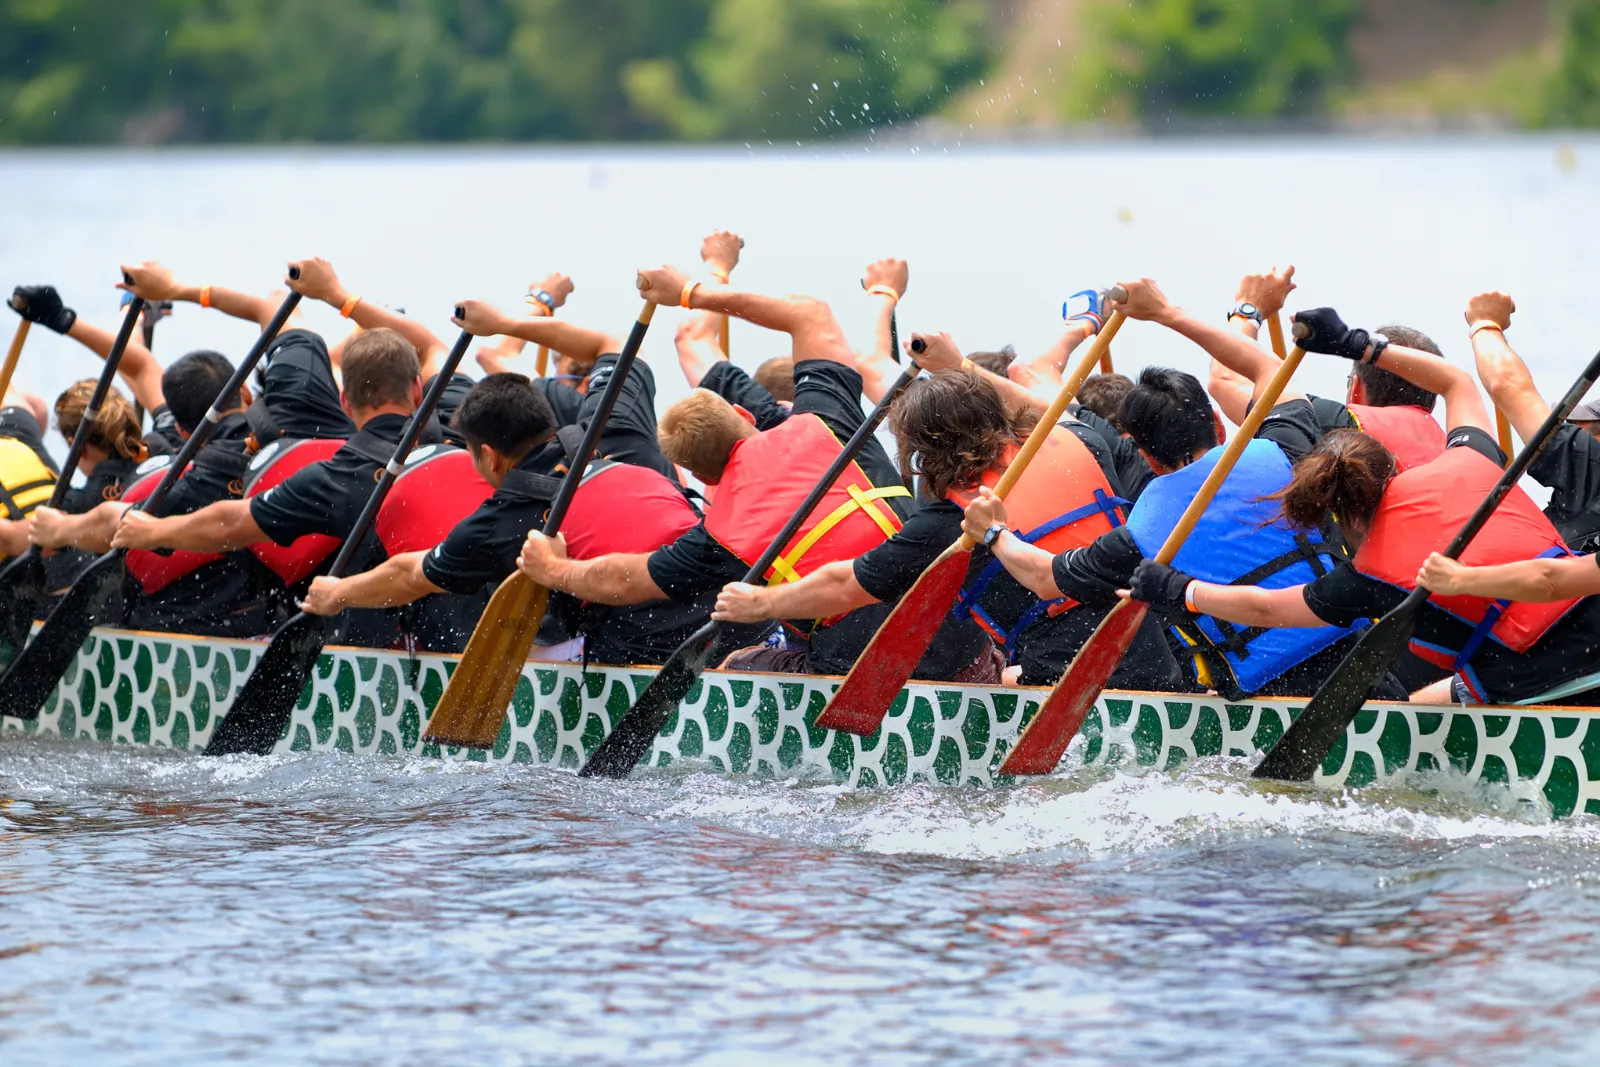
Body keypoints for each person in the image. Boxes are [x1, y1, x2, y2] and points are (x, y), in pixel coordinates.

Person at [960, 281, 1463, 701]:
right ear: (1221, 427)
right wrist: (1167, 313)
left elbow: (1045, 578)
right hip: (1366, 665)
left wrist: (994, 534)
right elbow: (1269, 369)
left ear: (1145, 455)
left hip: (1266, 698)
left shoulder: (1143, 532)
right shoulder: (1285, 447)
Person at [514, 264, 991, 680]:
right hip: (955, 641)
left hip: (856, 664)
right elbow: (810, 311)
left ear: (704, 477)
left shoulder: (719, 534)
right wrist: (689, 291)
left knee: (739, 660)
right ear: (745, 414)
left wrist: (556, 569)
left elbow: (623, 580)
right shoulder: (824, 421)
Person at [1128, 306, 1600, 708]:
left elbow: (1264, 609)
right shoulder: (1469, 456)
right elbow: (1458, 383)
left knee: (1421, 701)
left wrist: (1179, 588)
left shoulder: (1368, 573)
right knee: (1430, 692)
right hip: (1585, 617)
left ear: (1343, 515)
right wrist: (1356, 343)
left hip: (1540, 667)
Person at [712, 352, 1180, 690]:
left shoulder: (956, 517)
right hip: (1153, 654)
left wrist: (761, 603)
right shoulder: (1082, 440)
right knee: (1000, 668)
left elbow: (844, 586)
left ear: (923, 450)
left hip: (1067, 677)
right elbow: (1047, 404)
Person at [300, 372, 707, 665]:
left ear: (490, 456)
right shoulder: (611, 433)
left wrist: (337, 594)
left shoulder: (507, 515)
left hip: (656, 643)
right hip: (731, 614)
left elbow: (410, 576)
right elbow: (624, 354)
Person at [112, 324, 435, 647]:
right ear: (419, 389)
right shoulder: (464, 437)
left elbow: (233, 523)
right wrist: (343, 300)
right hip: (467, 643)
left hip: (371, 652)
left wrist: (154, 532)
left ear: (345, 402)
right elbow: (438, 350)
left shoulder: (334, 478)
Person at [30, 351, 283, 636]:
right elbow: (143, 367)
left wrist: (59, 528)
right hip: (261, 608)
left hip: (179, 621)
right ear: (245, 392)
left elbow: (116, 522)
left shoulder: (189, 483)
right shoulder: (167, 441)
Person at [1208, 266, 1446, 471]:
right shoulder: (1462, 446)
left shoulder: (1332, 425)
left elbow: (1227, 379)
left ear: (1356, 389)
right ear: (1433, 403)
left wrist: (1248, 310)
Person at [1468, 289, 1600, 552]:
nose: (1567, 432)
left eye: (1575, 427)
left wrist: (1484, 323)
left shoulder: (1592, 469)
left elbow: (1505, 384)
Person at [11, 283, 183, 455]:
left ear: (76, 445)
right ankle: (135, 313)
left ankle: (136, 313)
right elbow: (139, 369)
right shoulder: (177, 439)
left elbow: (136, 367)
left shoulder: (74, 483)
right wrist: (61, 319)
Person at [471, 272, 580, 424]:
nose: (552, 387)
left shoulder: (574, 410)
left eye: (558, 382)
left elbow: (491, 353)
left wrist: (542, 300)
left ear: (587, 384)